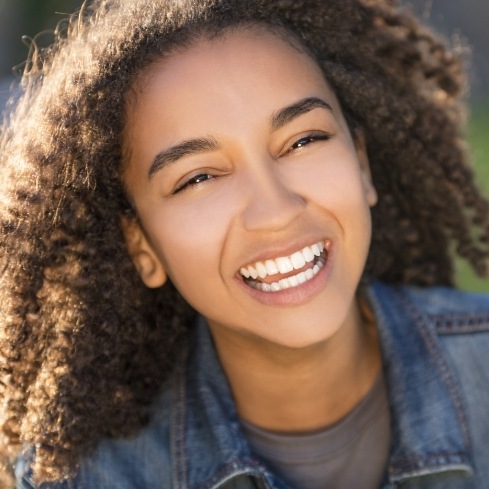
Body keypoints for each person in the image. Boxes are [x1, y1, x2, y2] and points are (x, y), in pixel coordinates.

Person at [1, 0, 489, 487]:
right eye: (197, 178)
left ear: (360, 164)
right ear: (141, 245)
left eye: (303, 141)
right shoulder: (90, 477)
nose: (275, 211)